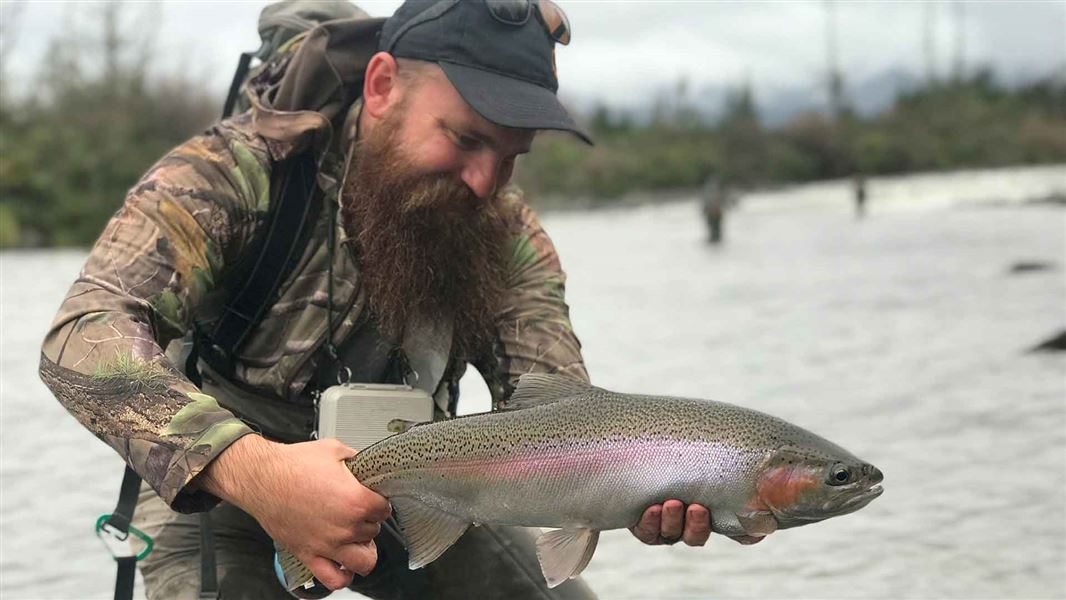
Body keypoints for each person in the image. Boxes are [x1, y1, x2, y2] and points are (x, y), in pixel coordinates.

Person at [39, 1, 733, 598]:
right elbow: (80, 333)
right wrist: (256, 472)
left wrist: (628, 485)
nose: (487, 182)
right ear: (381, 87)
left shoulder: (507, 234)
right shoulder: (234, 174)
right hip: (225, 487)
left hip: (433, 481)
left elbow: (558, 406)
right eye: (464, 139)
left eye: (511, 155)